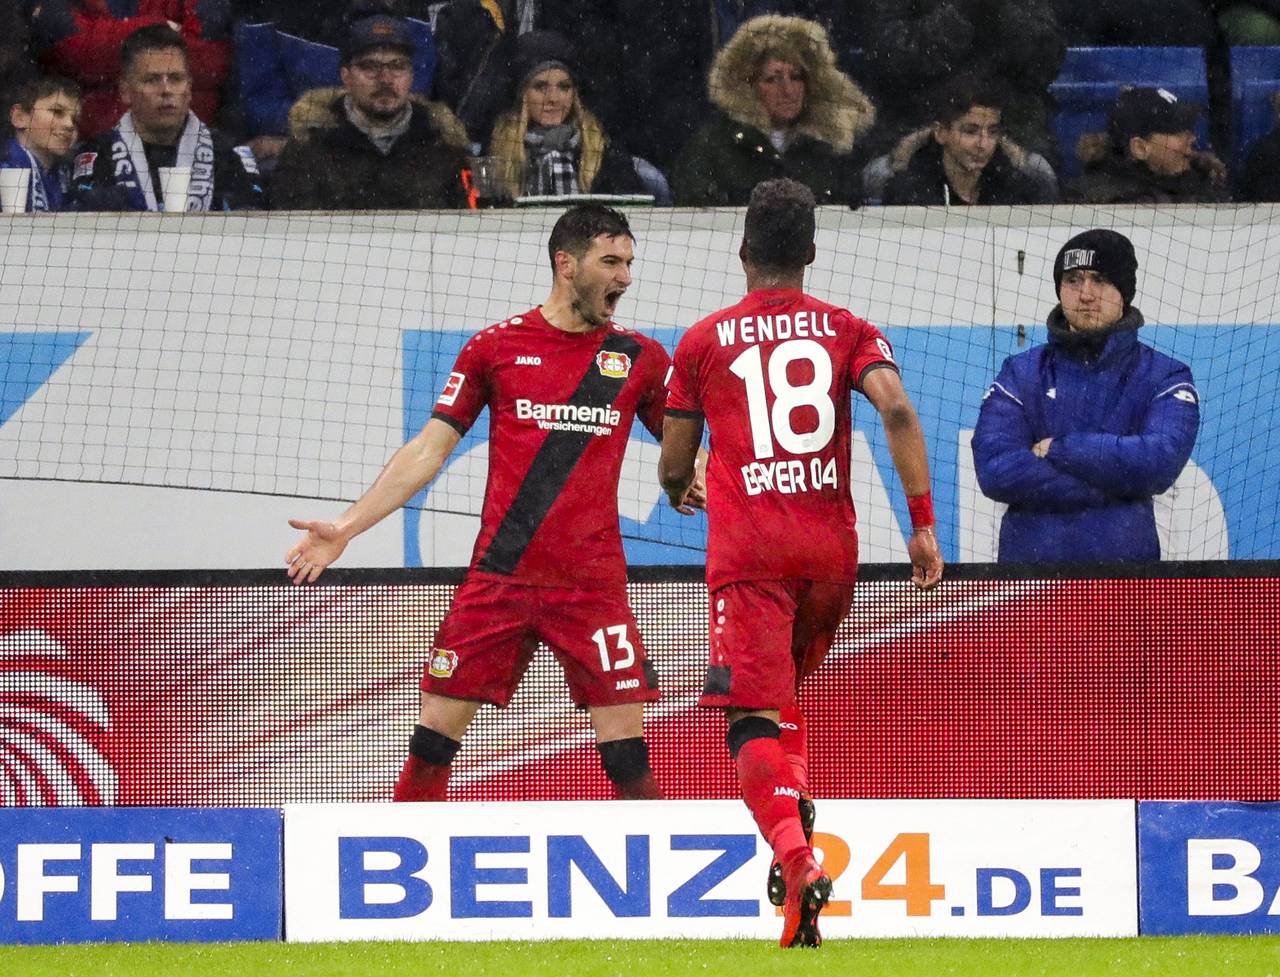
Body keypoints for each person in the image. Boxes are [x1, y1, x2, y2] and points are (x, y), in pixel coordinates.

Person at [287, 204, 704, 803]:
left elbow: (688, 449)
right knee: (431, 744)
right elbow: (429, 449)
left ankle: (657, 882)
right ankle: (399, 873)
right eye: (611, 261)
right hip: (500, 579)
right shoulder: (496, 348)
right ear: (566, 264)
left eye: (629, 264)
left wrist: (696, 476)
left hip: (591, 585)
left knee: (628, 759)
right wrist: (347, 527)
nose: (625, 278)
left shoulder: (638, 358)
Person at [658, 178, 944, 947]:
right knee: (783, 703)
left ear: (743, 250)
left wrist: (679, 482)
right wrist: (921, 526)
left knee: (748, 717)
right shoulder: (848, 329)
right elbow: (898, 409)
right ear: (811, 253)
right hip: (829, 555)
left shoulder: (703, 339)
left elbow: (673, 460)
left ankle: (798, 857)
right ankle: (797, 845)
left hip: (751, 555)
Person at [971, 229, 1201, 562]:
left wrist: (1059, 449)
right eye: (1074, 280)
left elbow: (1158, 463)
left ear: (1124, 292)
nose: (1086, 294)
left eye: (1100, 279)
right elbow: (996, 470)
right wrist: (1117, 486)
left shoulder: (1165, 375)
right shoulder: (1020, 372)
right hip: (1028, 591)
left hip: (1125, 589)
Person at [271, 13, 469, 210]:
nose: (385, 79)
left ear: (411, 76)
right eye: (370, 66)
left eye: (397, 66)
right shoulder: (310, 145)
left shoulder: (444, 144)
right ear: (346, 76)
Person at [671, 15, 874, 206]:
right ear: (747, 85)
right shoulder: (712, 147)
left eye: (796, 77)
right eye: (773, 79)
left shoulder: (832, 148)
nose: (788, 90)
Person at [67, 25, 264, 212]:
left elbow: (252, 230)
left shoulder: (229, 156)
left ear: (189, 88)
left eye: (176, 79)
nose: (166, 90)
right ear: (125, 91)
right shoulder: (96, 157)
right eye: (152, 80)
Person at [859, 0, 1064, 164]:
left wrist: (1001, 9)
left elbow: (1046, 61)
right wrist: (962, 11)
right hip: (917, 122)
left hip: (1011, 126)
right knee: (883, 174)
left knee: (1039, 172)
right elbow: (887, 58)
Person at [29, 0, 232, 140]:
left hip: (186, 143)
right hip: (87, 144)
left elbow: (211, 59)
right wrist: (159, 27)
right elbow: (67, 52)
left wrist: (109, 40)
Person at [485, 30, 647, 199]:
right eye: (540, 87)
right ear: (521, 95)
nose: (553, 99)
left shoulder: (605, 152)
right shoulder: (497, 155)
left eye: (564, 87)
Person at [879, 74, 1057, 205]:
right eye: (970, 132)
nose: (983, 144)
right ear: (941, 132)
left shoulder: (1021, 191)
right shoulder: (906, 193)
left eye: (993, 132)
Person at [1066, 87, 1229, 205]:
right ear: (1140, 148)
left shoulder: (1203, 184)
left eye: (1189, 129)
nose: (1192, 138)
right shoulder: (1097, 202)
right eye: (1177, 131)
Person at [3, 77, 82, 212]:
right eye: (57, 112)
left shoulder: (66, 174)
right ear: (19, 117)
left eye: (75, 120)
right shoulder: (5, 164)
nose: (69, 125)